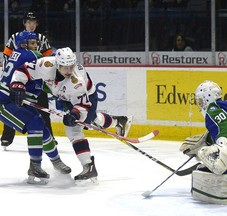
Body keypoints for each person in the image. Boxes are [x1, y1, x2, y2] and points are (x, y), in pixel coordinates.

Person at [11, 47, 131, 182]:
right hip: (63, 95)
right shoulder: (46, 64)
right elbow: (23, 70)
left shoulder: (77, 82)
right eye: (65, 67)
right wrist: (17, 84)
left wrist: (74, 114)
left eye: (71, 66)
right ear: (57, 64)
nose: (69, 71)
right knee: (92, 120)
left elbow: (83, 106)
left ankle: (88, 167)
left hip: (86, 98)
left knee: (74, 129)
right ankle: (118, 121)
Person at [0, 31, 71, 185]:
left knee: (44, 130)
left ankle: (56, 162)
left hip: (16, 100)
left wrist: (57, 95)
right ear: (24, 44)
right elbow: (45, 70)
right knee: (36, 124)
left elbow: (42, 83)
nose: (36, 45)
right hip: (5, 103)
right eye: (32, 43)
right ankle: (35, 166)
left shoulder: (20, 55)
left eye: (35, 43)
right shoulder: (30, 56)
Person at [1, 11, 55, 148]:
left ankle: (49, 137)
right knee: (12, 106)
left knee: (43, 109)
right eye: (29, 22)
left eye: (34, 22)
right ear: (24, 23)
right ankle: (7, 136)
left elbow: (49, 59)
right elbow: (7, 57)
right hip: (17, 79)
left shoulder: (42, 39)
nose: (31, 25)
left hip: (37, 79)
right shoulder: (15, 38)